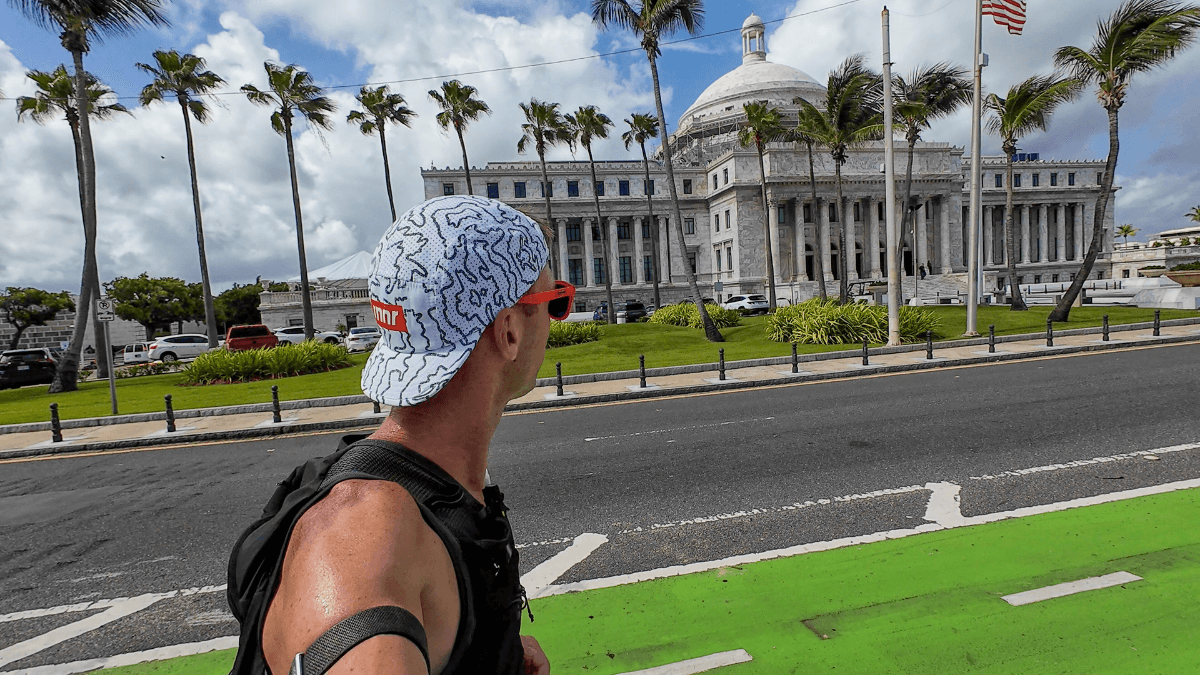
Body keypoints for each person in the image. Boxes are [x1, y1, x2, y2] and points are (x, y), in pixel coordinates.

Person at [228, 196, 572, 675]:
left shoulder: (423, 488)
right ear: (509, 331)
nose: (559, 318)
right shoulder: (370, 543)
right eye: (555, 302)